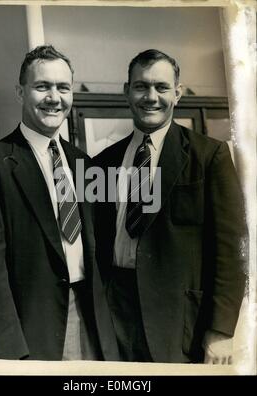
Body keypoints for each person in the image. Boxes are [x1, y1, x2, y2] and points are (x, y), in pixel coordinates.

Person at [94, 49, 247, 363]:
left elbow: (232, 251)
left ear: (177, 94)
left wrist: (220, 332)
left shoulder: (210, 156)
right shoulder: (104, 163)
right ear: (127, 92)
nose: (151, 97)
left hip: (180, 320)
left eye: (161, 87)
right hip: (116, 314)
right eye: (141, 86)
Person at [0, 45, 119, 361]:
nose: (54, 97)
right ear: (20, 92)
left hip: (92, 322)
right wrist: (11, 356)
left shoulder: (85, 165)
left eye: (63, 87)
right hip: (30, 331)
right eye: (42, 86)